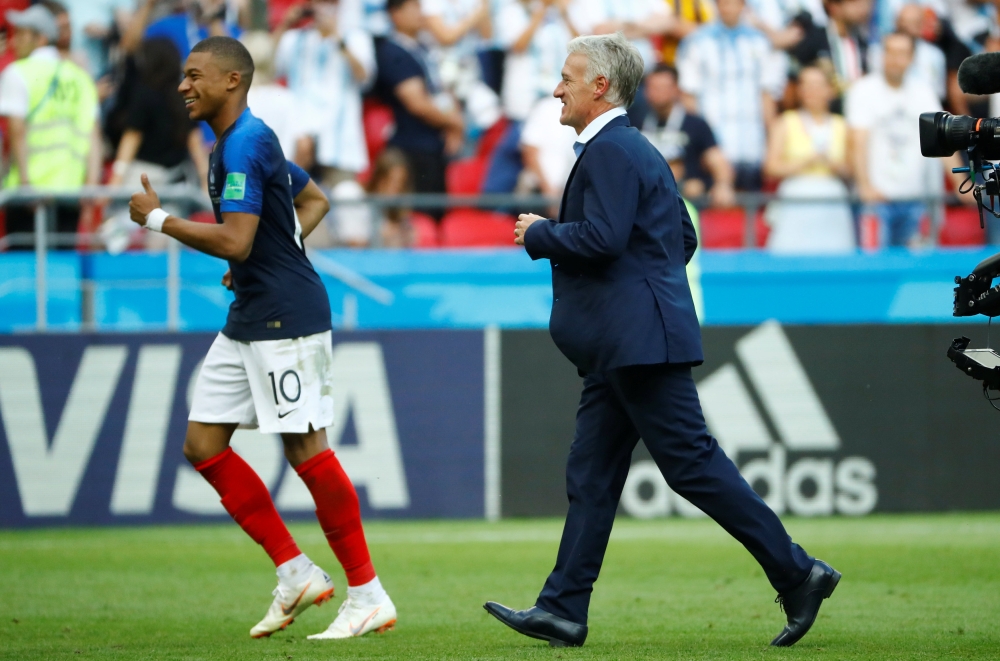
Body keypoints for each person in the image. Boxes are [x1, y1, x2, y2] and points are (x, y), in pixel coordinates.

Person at [483, 32, 839, 649]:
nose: (556, 90)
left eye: (567, 78)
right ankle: (562, 608)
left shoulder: (612, 151)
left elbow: (603, 238)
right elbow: (681, 237)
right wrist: (645, 286)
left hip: (637, 343)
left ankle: (797, 571)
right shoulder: (633, 149)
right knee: (592, 475)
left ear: (600, 86)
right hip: (624, 343)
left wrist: (541, 233)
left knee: (690, 464)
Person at [126, 36, 396, 640]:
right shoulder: (237, 140)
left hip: (285, 317)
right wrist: (272, 252)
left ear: (232, 81)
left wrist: (157, 219)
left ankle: (368, 594)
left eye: (195, 75)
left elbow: (237, 240)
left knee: (305, 450)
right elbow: (312, 201)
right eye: (183, 75)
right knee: (202, 444)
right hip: (251, 312)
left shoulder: (245, 143)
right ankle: (295, 571)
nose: (183, 85)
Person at [846, 32, 969, 248]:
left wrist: (961, 183)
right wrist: (865, 186)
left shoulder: (923, 91)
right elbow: (857, 142)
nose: (895, 59)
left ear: (912, 58)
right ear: (882, 55)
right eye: (890, 52)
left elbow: (942, 139)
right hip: (877, 199)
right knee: (874, 264)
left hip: (915, 197)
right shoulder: (863, 90)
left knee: (916, 266)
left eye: (902, 53)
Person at [0, 4, 101, 248]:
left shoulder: (18, 72)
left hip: (28, 194)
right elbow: (94, 139)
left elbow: (17, 132)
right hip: (70, 194)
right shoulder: (81, 78)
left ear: (41, 38)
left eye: (22, 34)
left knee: (26, 267)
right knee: (62, 267)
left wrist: (25, 184)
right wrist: (90, 191)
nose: (14, 41)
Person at [101, 36, 209, 253]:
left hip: (141, 180)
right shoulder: (185, 97)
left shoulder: (143, 94)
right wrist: (206, 185)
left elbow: (130, 140)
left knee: (117, 239)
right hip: (175, 185)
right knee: (163, 246)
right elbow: (196, 146)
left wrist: (114, 183)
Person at [677, 0, 786, 191]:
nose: (728, 8)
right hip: (713, 141)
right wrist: (699, 144)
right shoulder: (697, 42)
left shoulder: (761, 42)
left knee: (751, 201)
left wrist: (771, 141)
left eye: (733, 3)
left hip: (752, 142)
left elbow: (767, 95)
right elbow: (688, 95)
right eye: (723, 3)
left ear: (743, 5)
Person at [374, 0, 464, 215]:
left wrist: (451, 123)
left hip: (432, 146)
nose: (419, 12)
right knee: (420, 217)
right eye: (412, 7)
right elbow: (416, 103)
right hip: (411, 147)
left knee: (437, 214)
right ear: (395, 14)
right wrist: (455, 124)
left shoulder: (422, 48)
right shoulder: (392, 51)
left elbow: (440, 91)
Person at [763, 66, 854, 254]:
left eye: (818, 85)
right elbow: (771, 167)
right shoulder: (785, 122)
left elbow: (851, 169)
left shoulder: (842, 125)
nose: (812, 91)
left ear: (829, 90)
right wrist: (806, 162)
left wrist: (831, 164)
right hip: (796, 197)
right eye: (807, 85)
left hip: (832, 200)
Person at [631, 63, 736, 206]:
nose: (657, 93)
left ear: (676, 89)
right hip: (646, 201)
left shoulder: (695, 124)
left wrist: (722, 185)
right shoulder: (635, 123)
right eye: (653, 87)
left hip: (685, 202)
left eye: (663, 88)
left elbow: (717, 161)